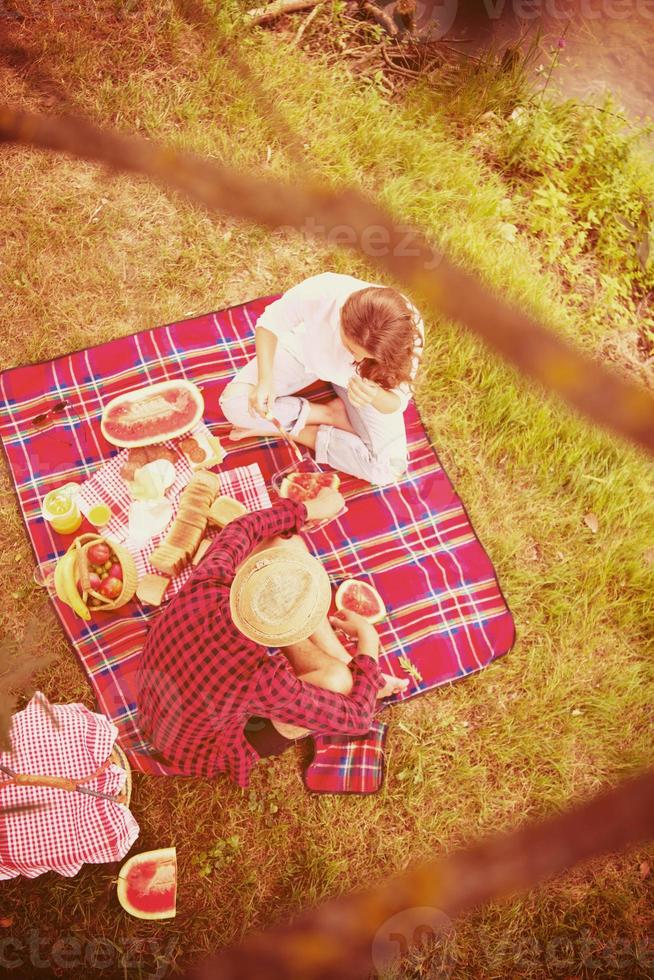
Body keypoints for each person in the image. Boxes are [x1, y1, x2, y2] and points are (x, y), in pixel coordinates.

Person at [136, 488, 408, 787]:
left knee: (282, 541)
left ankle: (344, 659)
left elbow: (242, 526)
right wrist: (368, 642)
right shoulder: (261, 682)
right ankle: (354, 669)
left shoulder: (208, 580)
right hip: (199, 750)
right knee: (338, 682)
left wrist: (309, 508)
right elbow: (357, 719)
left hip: (154, 701)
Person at [219, 271, 425, 485]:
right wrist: (265, 379)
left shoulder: (406, 331)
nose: (354, 359)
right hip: (304, 358)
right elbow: (270, 323)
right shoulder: (323, 292)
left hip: (363, 385)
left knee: (388, 470)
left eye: (367, 357)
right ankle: (327, 414)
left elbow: (396, 403)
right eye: (350, 347)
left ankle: (289, 430)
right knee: (235, 404)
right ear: (341, 316)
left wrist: (375, 395)